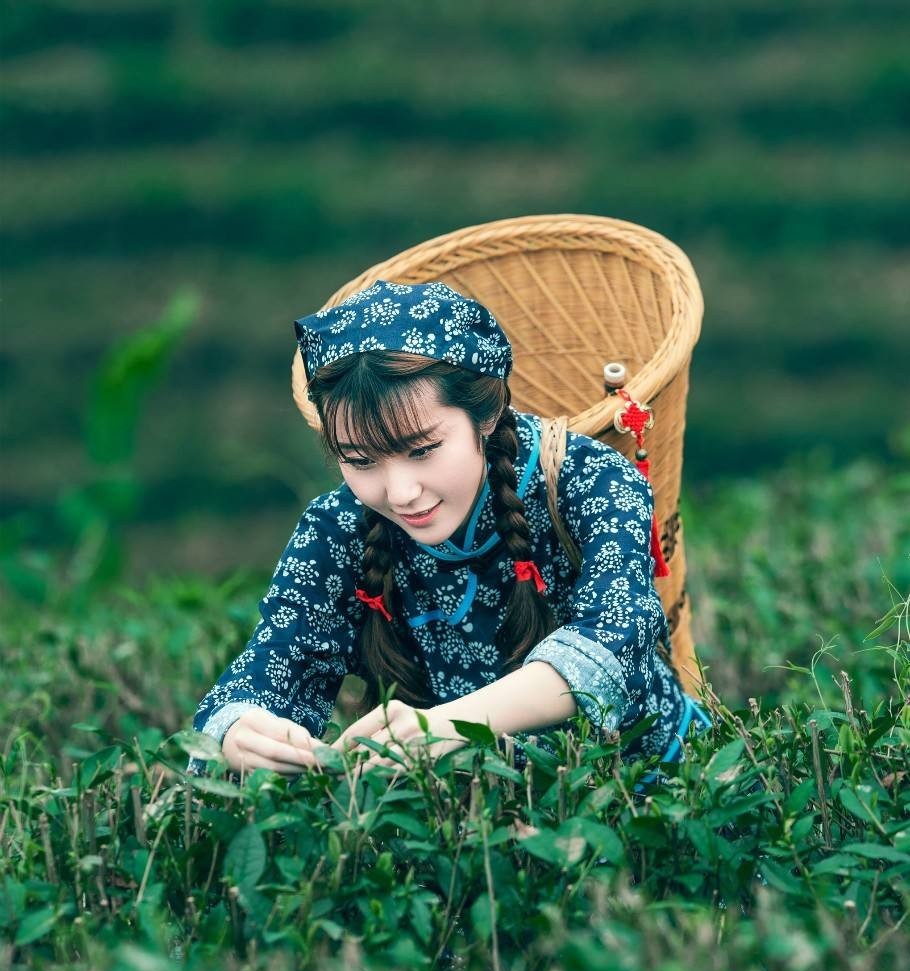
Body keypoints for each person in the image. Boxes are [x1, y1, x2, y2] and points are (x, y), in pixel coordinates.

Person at [186, 279, 709, 781]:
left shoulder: (588, 478)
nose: (400, 492)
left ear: (486, 414)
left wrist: (443, 726)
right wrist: (238, 730)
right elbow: (276, 663)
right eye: (360, 460)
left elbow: (616, 639)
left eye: (422, 450)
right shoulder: (337, 526)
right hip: (472, 828)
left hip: (653, 789)